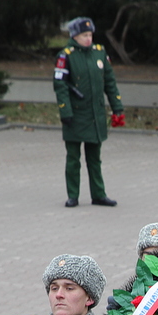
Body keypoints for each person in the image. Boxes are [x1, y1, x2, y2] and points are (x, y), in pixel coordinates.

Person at [54, 17, 123, 209]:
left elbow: (110, 82)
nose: (88, 39)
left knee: (94, 158)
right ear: (74, 36)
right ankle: (73, 196)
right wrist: (65, 111)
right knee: (73, 158)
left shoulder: (99, 53)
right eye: (84, 35)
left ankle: (99, 194)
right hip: (75, 115)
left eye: (90, 34)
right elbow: (60, 86)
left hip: (95, 115)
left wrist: (117, 107)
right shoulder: (66, 55)